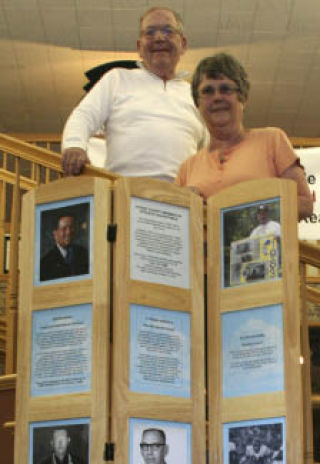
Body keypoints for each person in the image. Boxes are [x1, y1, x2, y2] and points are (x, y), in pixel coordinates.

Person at [61, 7, 207, 180]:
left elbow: (211, 150)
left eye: (168, 31)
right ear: (139, 46)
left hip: (181, 198)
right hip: (124, 193)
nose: (159, 38)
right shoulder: (117, 79)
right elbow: (84, 115)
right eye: (150, 32)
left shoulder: (198, 95)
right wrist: (74, 145)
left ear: (183, 44)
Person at [176, 53, 313, 219]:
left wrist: (246, 212)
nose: (217, 97)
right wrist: (185, 204)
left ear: (243, 97)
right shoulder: (187, 168)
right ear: (198, 103)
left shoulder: (272, 140)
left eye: (225, 89)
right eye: (208, 91)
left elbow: (305, 204)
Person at [40, 213, 89, 282]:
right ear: (55, 233)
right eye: (64, 228)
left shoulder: (84, 254)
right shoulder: (46, 263)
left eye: (71, 227)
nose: (68, 232)